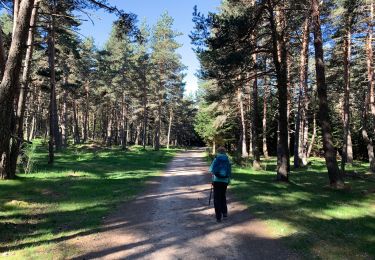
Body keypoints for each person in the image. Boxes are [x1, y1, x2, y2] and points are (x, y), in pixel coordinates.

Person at [209, 147, 231, 222]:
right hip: (225, 181)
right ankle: (224, 213)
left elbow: (211, 170)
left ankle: (218, 217)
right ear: (225, 152)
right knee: (223, 196)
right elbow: (229, 171)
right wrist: (228, 180)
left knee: (217, 199)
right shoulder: (228, 160)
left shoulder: (216, 159)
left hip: (217, 181)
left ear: (218, 152)